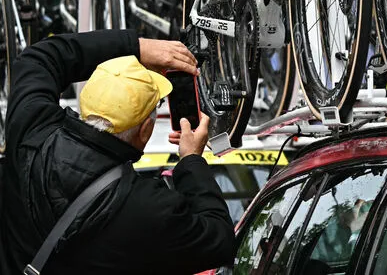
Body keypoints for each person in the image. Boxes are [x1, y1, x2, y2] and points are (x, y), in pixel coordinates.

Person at [0, 30, 235, 275]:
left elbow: (40, 57)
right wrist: (191, 160)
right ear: (146, 130)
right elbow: (219, 242)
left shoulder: (32, 131)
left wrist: (138, 46)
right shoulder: (147, 209)